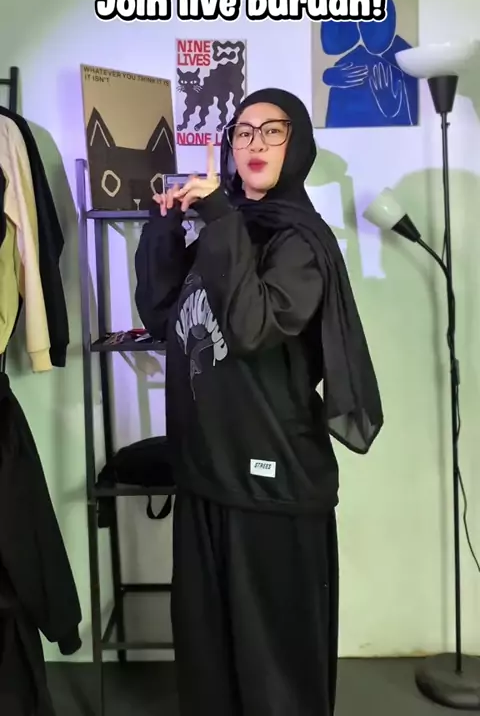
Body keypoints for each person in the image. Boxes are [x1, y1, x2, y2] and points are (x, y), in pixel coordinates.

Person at [134, 88, 383, 716]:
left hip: (271, 482)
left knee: (274, 664)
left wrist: (219, 219)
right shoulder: (230, 227)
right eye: (243, 132)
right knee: (210, 652)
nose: (254, 144)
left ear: (296, 146)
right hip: (208, 470)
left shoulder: (299, 243)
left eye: (273, 131)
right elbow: (164, 316)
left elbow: (251, 328)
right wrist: (164, 228)